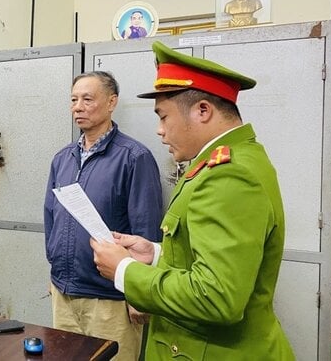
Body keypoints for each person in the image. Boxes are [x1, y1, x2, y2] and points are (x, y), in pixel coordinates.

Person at [90, 41, 295, 360]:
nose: (159, 131)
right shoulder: (233, 159)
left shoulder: (228, 175)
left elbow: (217, 296)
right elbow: (204, 255)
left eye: (164, 117)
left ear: (202, 110)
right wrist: (156, 254)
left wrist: (125, 271)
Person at [44, 71, 163, 361]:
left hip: (110, 300)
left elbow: (146, 228)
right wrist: (56, 267)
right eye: (73, 100)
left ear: (112, 102)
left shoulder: (134, 157)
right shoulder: (63, 158)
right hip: (65, 293)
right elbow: (51, 216)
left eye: (87, 99)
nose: (78, 107)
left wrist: (139, 295)